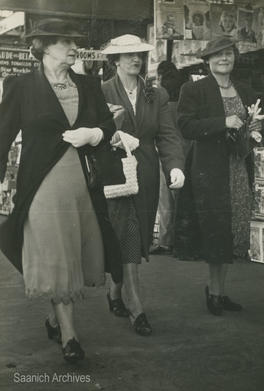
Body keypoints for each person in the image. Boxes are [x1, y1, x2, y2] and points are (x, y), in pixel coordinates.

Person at [0, 18, 122, 362]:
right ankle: (70, 336)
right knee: (57, 254)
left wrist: (95, 134)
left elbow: (107, 122)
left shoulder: (88, 84)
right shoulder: (20, 85)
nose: (73, 48)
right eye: (64, 42)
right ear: (43, 47)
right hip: (42, 184)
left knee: (75, 254)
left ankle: (55, 320)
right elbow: (2, 133)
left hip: (83, 182)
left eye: (74, 42)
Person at [100, 34, 185, 335]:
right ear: (115, 60)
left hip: (146, 174)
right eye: (129, 55)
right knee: (128, 231)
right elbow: (93, 132)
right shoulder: (101, 91)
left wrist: (174, 166)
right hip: (115, 172)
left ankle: (114, 290)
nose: (136, 59)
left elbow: (167, 134)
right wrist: (111, 134)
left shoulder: (156, 94)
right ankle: (135, 305)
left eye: (140, 54)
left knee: (133, 234)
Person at [177, 37, 261, 316]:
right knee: (215, 230)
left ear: (235, 57)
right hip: (210, 171)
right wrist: (222, 122)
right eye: (217, 55)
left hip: (238, 168)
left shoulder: (246, 91)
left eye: (228, 54)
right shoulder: (195, 89)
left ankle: (220, 292)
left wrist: (255, 131)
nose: (224, 58)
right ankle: (213, 292)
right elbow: (186, 126)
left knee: (231, 229)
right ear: (207, 60)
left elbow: (253, 125)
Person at [151, 61, 189, 255]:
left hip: (165, 156)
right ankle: (182, 240)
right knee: (182, 198)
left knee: (165, 200)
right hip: (185, 153)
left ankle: (166, 240)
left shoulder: (161, 103)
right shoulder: (183, 102)